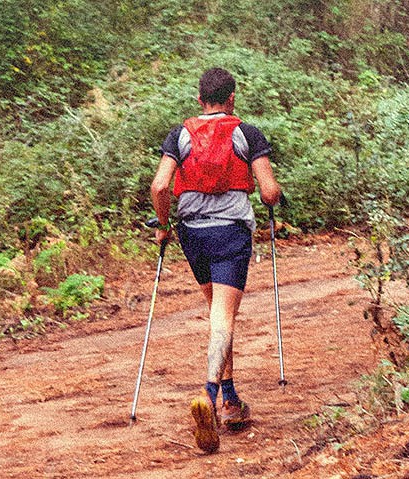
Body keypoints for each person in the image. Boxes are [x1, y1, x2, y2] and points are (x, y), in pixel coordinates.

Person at [150, 67, 282, 453]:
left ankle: (231, 400)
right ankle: (209, 395)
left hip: (192, 233)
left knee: (216, 316)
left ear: (199, 100)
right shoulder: (246, 132)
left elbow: (160, 185)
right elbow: (269, 190)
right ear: (232, 98)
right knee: (223, 316)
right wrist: (274, 199)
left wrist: (162, 225)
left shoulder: (181, 134)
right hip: (230, 232)